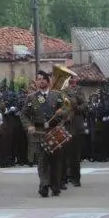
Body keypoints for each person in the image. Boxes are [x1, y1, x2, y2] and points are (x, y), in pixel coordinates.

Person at [21, 70, 70, 198]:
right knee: (42, 161)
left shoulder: (57, 95)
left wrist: (62, 113)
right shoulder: (31, 97)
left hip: (54, 132)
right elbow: (23, 115)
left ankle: (55, 185)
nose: (40, 81)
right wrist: (29, 126)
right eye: (38, 79)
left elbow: (66, 111)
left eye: (43, 79)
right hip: (39, 132)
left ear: (48, 82)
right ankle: (44, 185)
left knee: (55, 161)